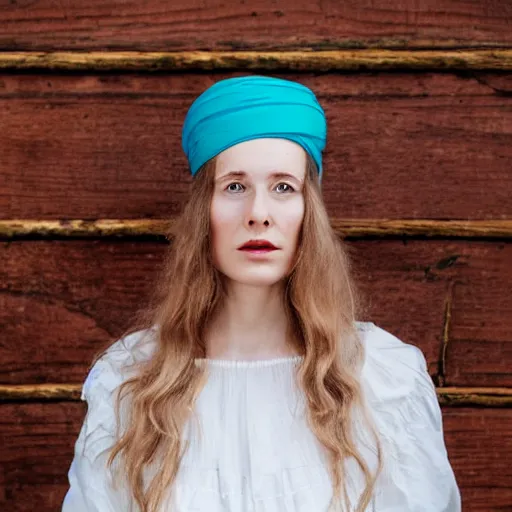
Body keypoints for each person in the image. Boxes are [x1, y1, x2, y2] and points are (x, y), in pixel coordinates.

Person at [62, 75, 462, 512]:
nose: (258, 214)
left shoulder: (383, 380)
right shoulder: (130, 381)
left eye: (283, 187)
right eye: (234, 186)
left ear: (309, 211)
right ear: (203, 212)